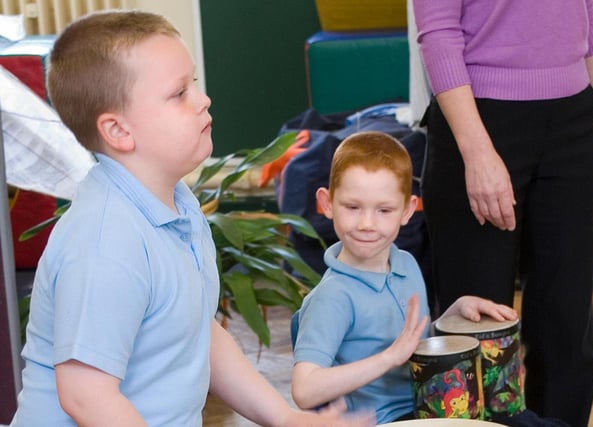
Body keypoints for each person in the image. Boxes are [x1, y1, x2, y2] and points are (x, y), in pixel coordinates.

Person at [9, 10, 374, 427]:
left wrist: (284, 418)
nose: (203, 99)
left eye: (194, 84)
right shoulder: (105, 243)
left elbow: (196, 330)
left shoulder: (176, 203)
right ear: (118, 131)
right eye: (179, 92)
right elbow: (86, 396)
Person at [412, 1, 593, 426]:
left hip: (573, 119)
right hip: (477, 118)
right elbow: (438, 32)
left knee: (566, 324)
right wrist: (476, 152)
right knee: (475, 326)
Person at [290, 131, 518, 424]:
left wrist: (452, 315)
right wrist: (389, 358)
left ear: (408, 210)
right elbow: (305, 390)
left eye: (384, 210)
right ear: (327, 203)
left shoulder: (406, 263)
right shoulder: (332, 297)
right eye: (352, 207)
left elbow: (412, 343)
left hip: (429, 406)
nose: (367, 224)